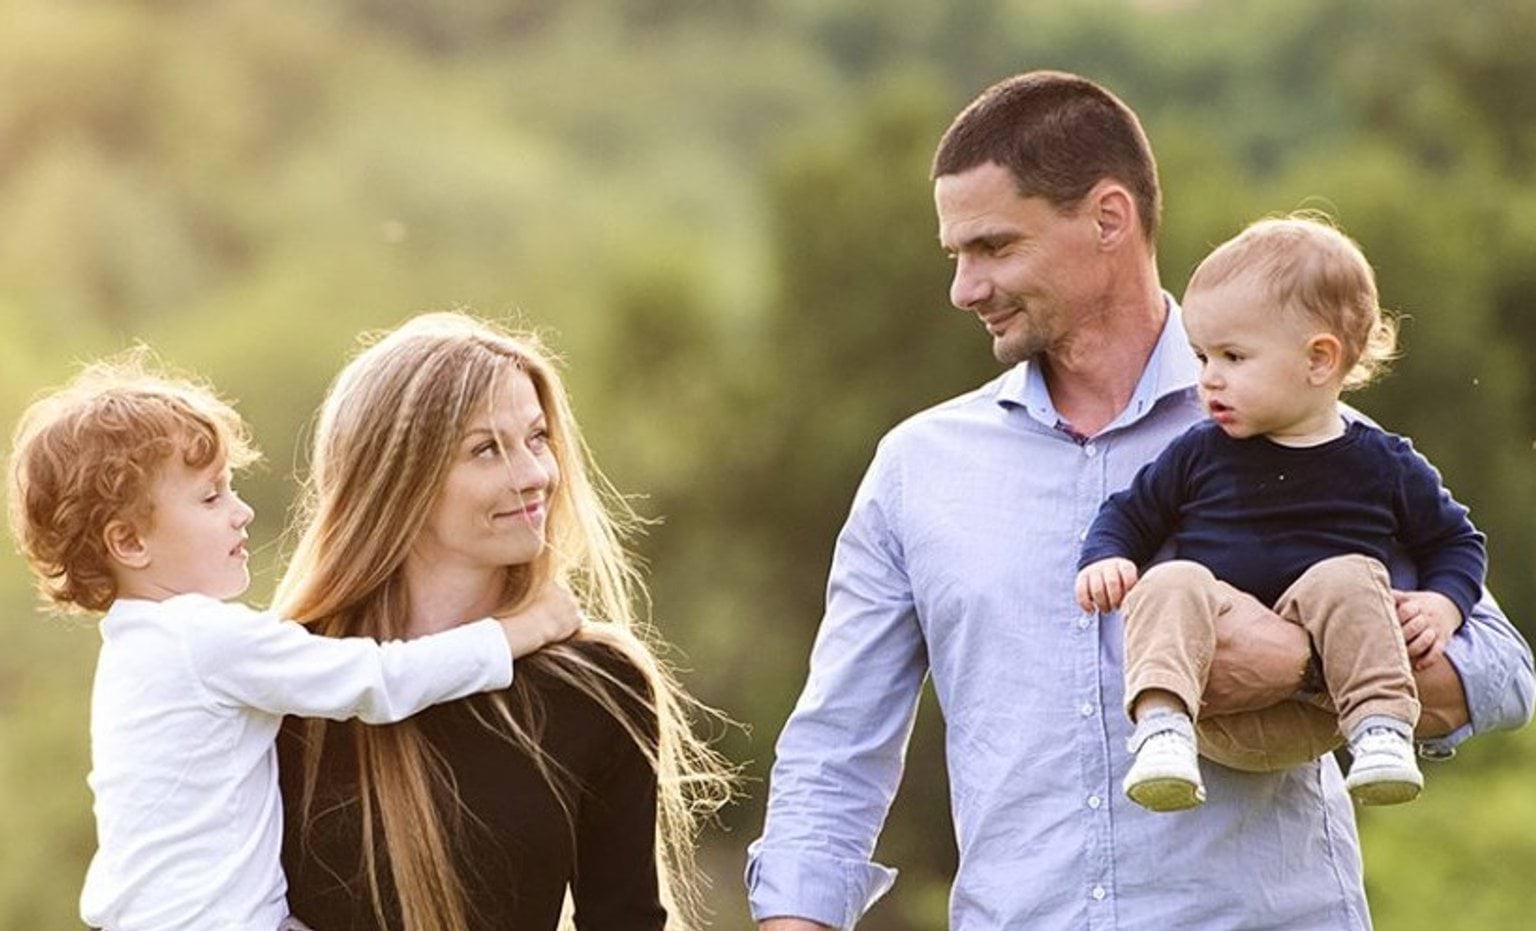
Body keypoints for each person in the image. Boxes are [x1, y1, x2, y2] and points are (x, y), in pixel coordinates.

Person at [747, 70, 1534, 930]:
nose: (963, 289)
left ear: (1108, 219)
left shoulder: (1311, 428)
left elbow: (1501, 674)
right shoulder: (916, 468)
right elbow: (834, 752)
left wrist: (1307, 666)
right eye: (956, 255)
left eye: (995, 248)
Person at [4, 352, 582, 931]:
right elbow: (379, 680)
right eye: (211, 498)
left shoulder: (135, 649)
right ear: (129, 542)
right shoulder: (203, 639)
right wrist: (521, 631)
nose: (242, 511)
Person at [274, 312, 735, 931]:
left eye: (538, 438)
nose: (535, 475)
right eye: (486, 449)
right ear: (395, 480)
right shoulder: (286, 684)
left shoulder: (596, 683)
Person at [1076, 216, 1485, 813]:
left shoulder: (1383, 462)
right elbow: (1129, 514)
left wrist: (1445, 603)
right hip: (1215, 702)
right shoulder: (1199, 451)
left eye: (1233, 357)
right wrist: (1106, 557)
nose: (1208, 378)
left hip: (1330, 714)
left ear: (1320, 360)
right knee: (1172, 580)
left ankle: (1383, 732)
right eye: (1201, 356)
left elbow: (1456, 541)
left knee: (1348, 575)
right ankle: (1161, 729)